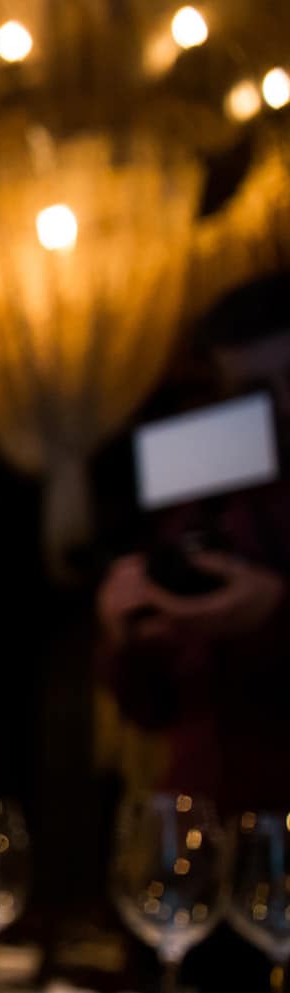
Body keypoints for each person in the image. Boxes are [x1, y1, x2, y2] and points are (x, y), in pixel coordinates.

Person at [96, 277, 290, 810]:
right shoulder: (206, 498)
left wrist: (276, 612)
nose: (283, 407)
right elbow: (151, 706)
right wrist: (129, 633)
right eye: (256, 393)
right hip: (208, 820)